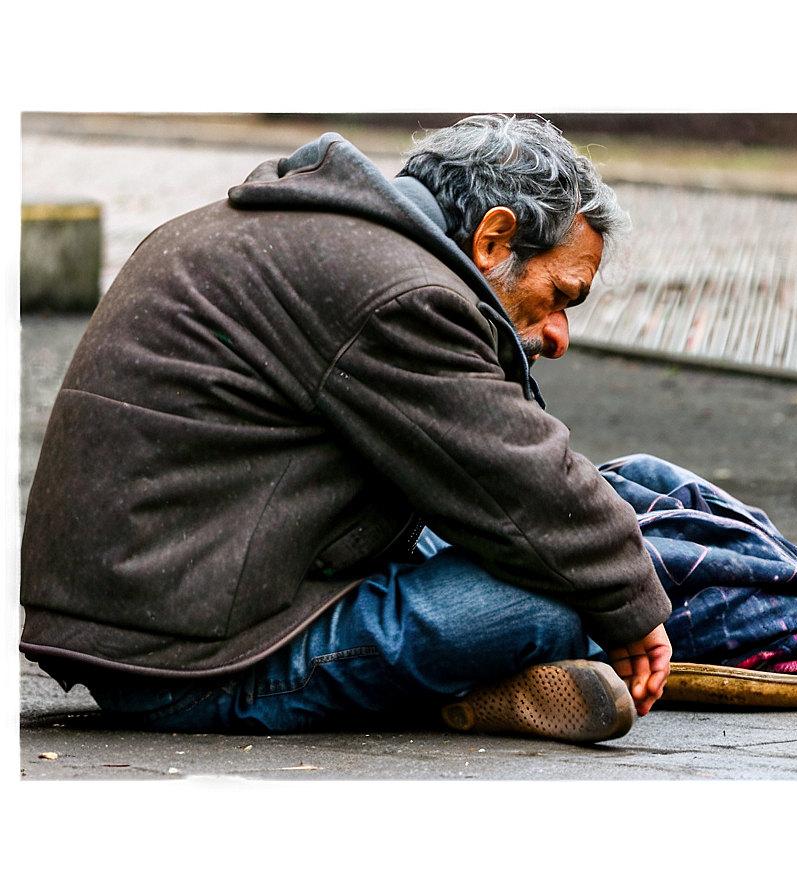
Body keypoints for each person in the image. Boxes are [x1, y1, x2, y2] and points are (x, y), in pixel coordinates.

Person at [19, 114, 677, 743]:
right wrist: (636, 610)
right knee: (547, 604)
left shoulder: (306, 233)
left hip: (156, 607)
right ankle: (469, 688)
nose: (559, 333)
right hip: (183, 667)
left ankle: (483, 683)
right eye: (560, 296)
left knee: (573, 543)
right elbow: (521, 476)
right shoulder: (400, 292)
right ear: (494, 239)